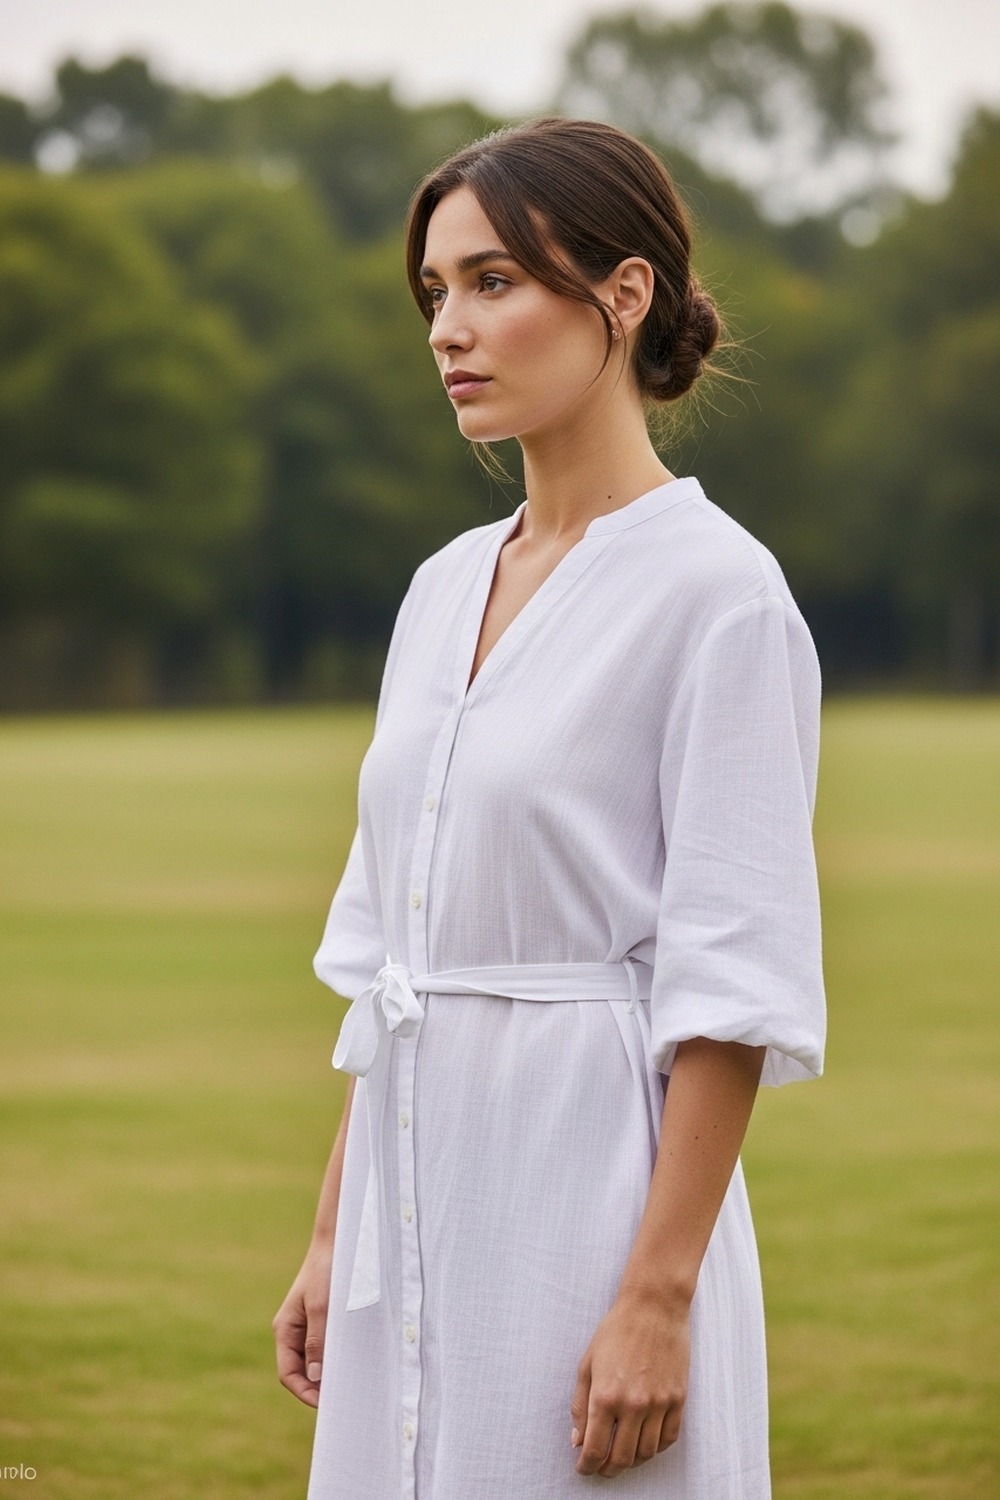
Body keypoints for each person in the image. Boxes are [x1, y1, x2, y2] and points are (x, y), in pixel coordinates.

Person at [272, 116, 826, 1499]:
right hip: (409, 1198)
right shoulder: (441, 587)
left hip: (589, 1195)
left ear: (623, 297)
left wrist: (657, 1298)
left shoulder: (721, 595)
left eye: (494, 282)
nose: (449, 329)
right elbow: (398, 956)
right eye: (434, 293)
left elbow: (730, 990)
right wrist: (338, 1233)